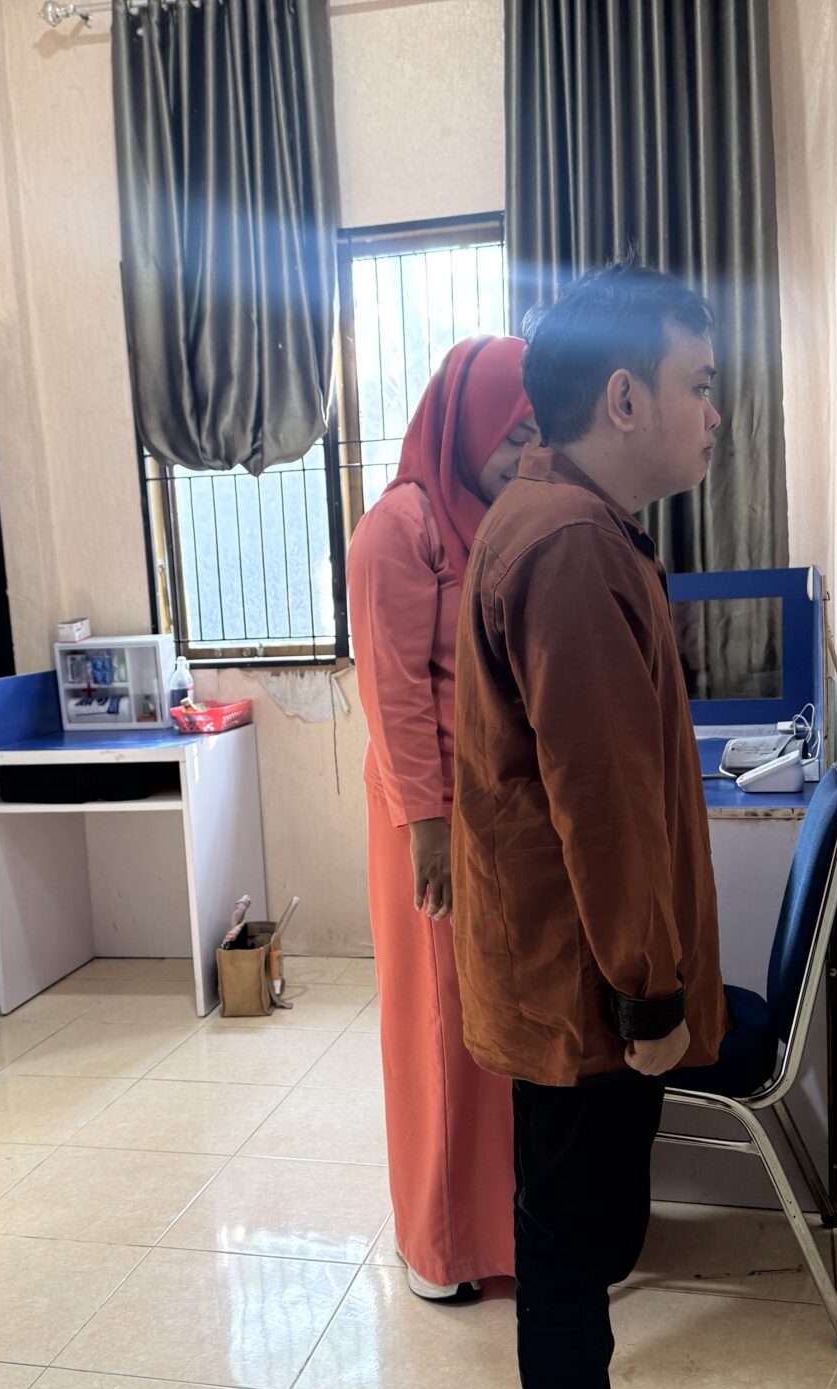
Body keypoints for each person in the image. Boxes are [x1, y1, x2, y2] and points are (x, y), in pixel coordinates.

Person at [450, 263, 725, 1389]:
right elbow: (601, 802)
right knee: (567, 1245)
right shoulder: (566, 545)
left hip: (567, 971)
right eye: (697, 384)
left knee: (576, 1233)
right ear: (623, 399)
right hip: (586, 988)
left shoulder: (566, 523)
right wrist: (648, 995)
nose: (713, 412)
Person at [346, 336, 537, 1304]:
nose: (524, 455)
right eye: (512, 435)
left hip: (492, 813)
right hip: (431, 823)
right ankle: (440, 1246)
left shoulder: (495, 520)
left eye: (536, 434)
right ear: (464, 423)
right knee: (440, 1027)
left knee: (492, 1030)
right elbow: (392, 695)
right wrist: (428, 826)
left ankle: (497, 1230)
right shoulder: (399, 527)